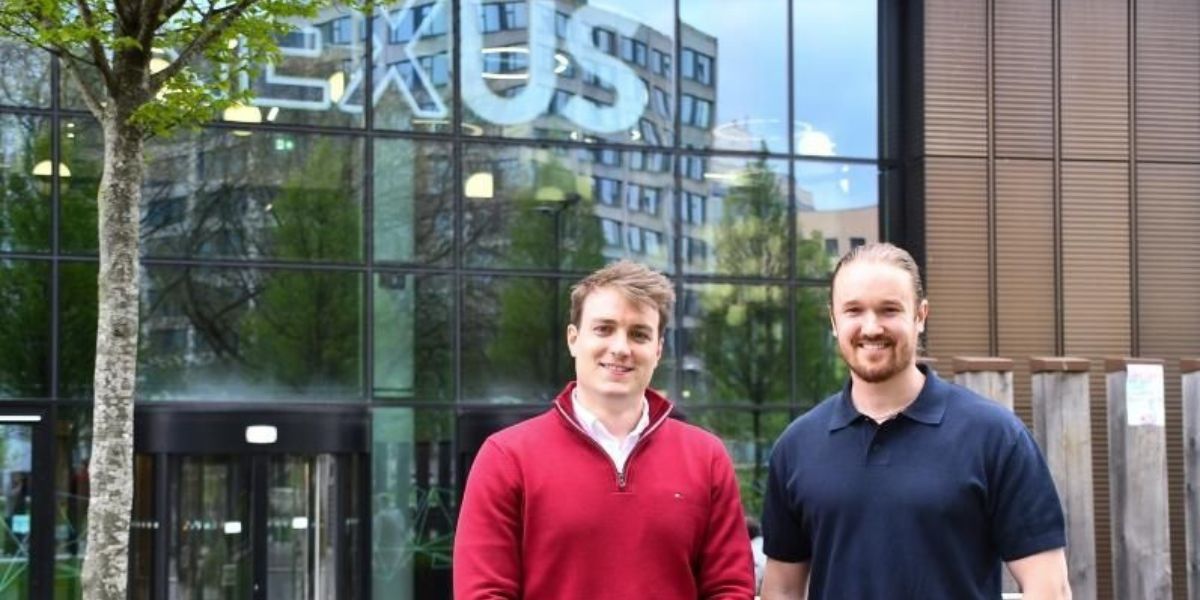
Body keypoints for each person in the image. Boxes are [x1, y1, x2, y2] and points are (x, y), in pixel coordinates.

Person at [760, 242, 1071, 600]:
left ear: (920, 315)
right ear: (833, 320)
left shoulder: (995, 437)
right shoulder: (798, 447)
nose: (871, 327)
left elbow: (1049, 588)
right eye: (854, 311)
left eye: (889, 310)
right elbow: (781, 590)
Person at [454, 260, 755, 599]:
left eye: (639, 334)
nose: (621, 348)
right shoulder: (506, 458)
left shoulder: (706, 457)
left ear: (658, 350)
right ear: (573, 339)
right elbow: (483, 593)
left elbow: (729, 589)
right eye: (604, 329)